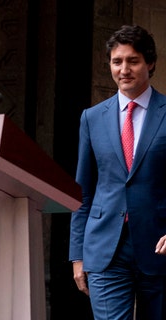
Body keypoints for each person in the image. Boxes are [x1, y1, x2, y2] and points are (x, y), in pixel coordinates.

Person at [69, 25, 166, 319]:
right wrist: (77, 254)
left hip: (159, 245)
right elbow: (82, 190)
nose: (124, 69)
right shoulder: (91, 118)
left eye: (132, 61)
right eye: (116, 61)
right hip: (105, 247)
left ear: (149, 63)